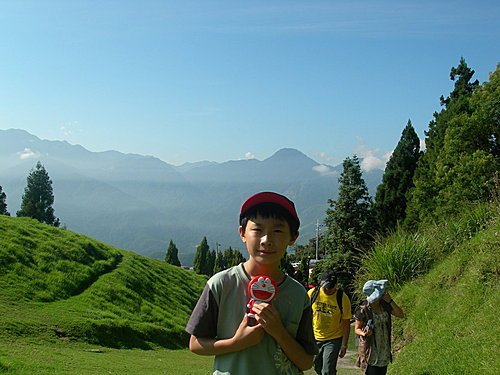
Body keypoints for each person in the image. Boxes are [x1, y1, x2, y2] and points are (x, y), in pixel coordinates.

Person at [185, 191, 316, 375]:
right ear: (242, 233)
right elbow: (195, 344)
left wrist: (278, 331)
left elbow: (306, 362)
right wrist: (236, 343)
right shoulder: (221, 284)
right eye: (257, 230)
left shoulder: (298, 294)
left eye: (277, 231)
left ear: (293, 237)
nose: (266, 240)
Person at [354, 280, 404, 375]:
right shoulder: (363, 309)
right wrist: (364, 333)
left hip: (384, 348)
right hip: (370, 349)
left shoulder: (385, 305)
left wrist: (390, 300)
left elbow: (400, 314)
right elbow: (357, 329)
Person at [308, 270, 352, 375]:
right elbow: (305, 315)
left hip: (333, 339)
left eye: (331, 287)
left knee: (327, 370)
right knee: (317, 367)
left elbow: (346, 322)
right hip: (315, 338)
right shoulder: (313, 294)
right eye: (326, 287)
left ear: (336, 285)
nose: (328, 290)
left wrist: (344, 345)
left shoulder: (342, 298)